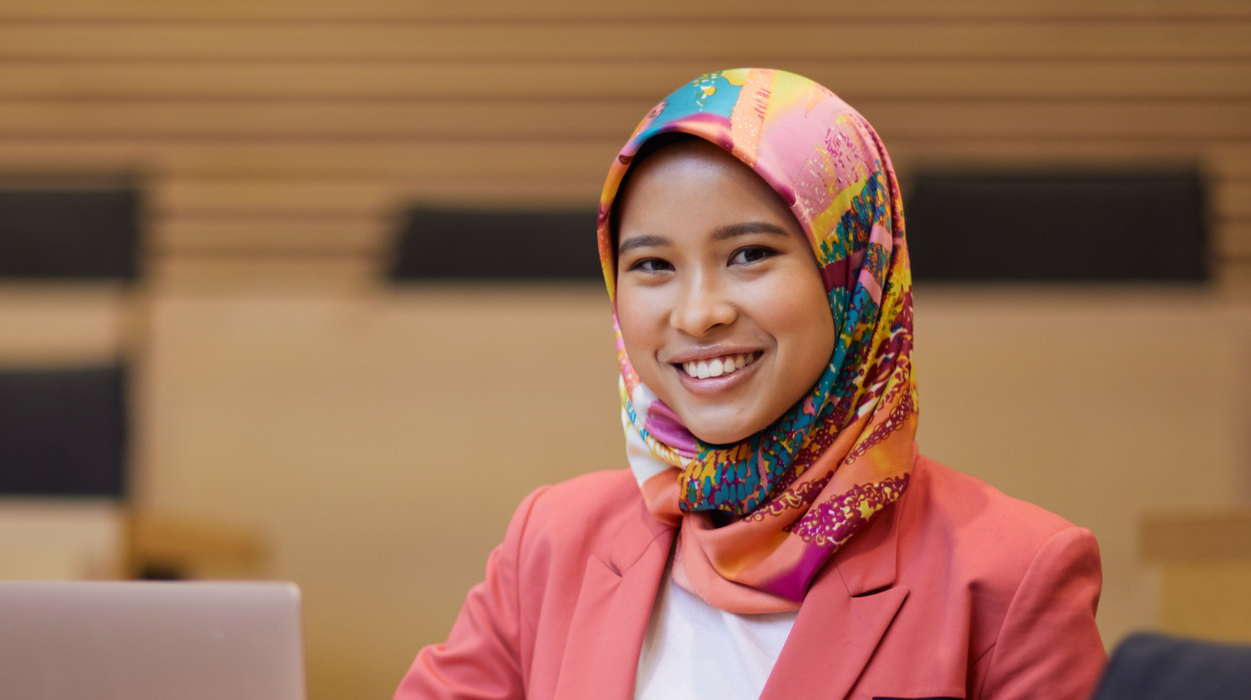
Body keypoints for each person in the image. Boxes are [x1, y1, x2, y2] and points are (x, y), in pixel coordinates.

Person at [394, 68, 1106, 700]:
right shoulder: (551, 542)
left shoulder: (1014, 575)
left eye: (749, 254)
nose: (699, 313)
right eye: (652, 266)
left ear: (853, 268)